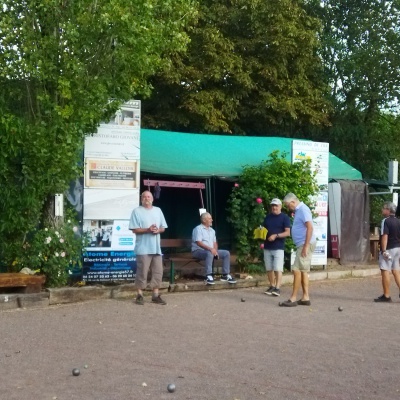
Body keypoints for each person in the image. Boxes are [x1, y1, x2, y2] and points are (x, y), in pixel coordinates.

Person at [129, 191, 168, 305]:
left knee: (158, 272)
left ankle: (155, 295)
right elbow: (134, 229)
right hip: (143, 247)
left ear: (152, 199)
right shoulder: (136, 211)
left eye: (149, 196)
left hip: (156, 248)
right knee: (142, 271)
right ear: (141, 199)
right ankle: (139, 295)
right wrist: (148, 229)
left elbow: (163, 228)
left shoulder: (158, 210)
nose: (147, 198)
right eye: (144, 196)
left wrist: (157, 230)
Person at [280, 193, 316, 307]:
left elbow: (310, 227)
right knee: (303, 270)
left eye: (287, 205)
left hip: (304, 244)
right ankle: (305, 297)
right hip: (303, 244)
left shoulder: (303, 210)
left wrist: (305, 246)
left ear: (293, 202)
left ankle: (293, 298)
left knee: (296, 270)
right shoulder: (300, 210)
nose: (287, 207)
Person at [192, 212, 237, 285]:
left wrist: (215, 251)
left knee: (226, 253)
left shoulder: (212, 231)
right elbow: (198, 243)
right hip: (198, 251)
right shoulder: (198, 229)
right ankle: (208, 275)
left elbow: (214, 243)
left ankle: (225, 275)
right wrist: (211, 249)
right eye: (210, 218)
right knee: (209, 253)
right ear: (204, 220)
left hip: (210, 251)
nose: (212, 220)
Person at [263, 198, 291, 297]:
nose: (274, 207)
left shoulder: (285, 218)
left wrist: (276, 235)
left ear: (280, 206)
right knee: (269, 268)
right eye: (273, 205)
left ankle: (278, 288)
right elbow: (264, 230)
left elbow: (287, 232)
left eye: (276, 205)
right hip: (267, 246)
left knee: (278, 268)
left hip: (278, 247)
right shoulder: (267, 217)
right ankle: (272, 285)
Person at [374, 201, 400, 302]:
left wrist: (384, 250)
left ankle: (387, 295)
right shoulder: (398, 221)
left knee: (385, 270)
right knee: (396, 271)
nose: (382, 210)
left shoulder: (386, 221)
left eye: (384, 208)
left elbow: (385, 235)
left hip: (389, 248)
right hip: (398, 248)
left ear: (388, 210)